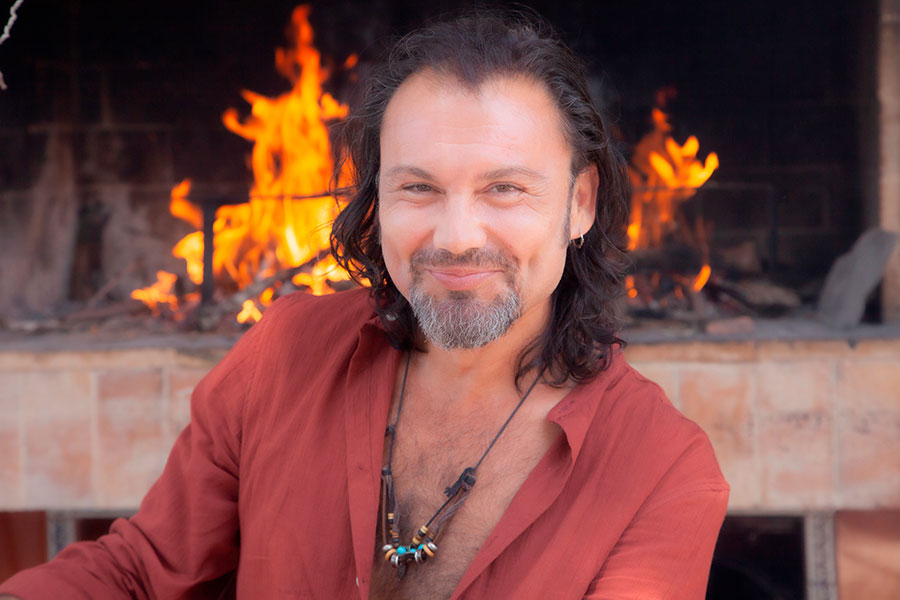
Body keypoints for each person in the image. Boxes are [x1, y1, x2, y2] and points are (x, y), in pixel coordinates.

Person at [0, 9, 728, 600]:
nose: (456, 237)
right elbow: (139, 575)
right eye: (418, 188)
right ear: (377, 199)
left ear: (581, 202)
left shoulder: (663, 469)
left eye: (504, 188)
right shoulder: (283, 352)